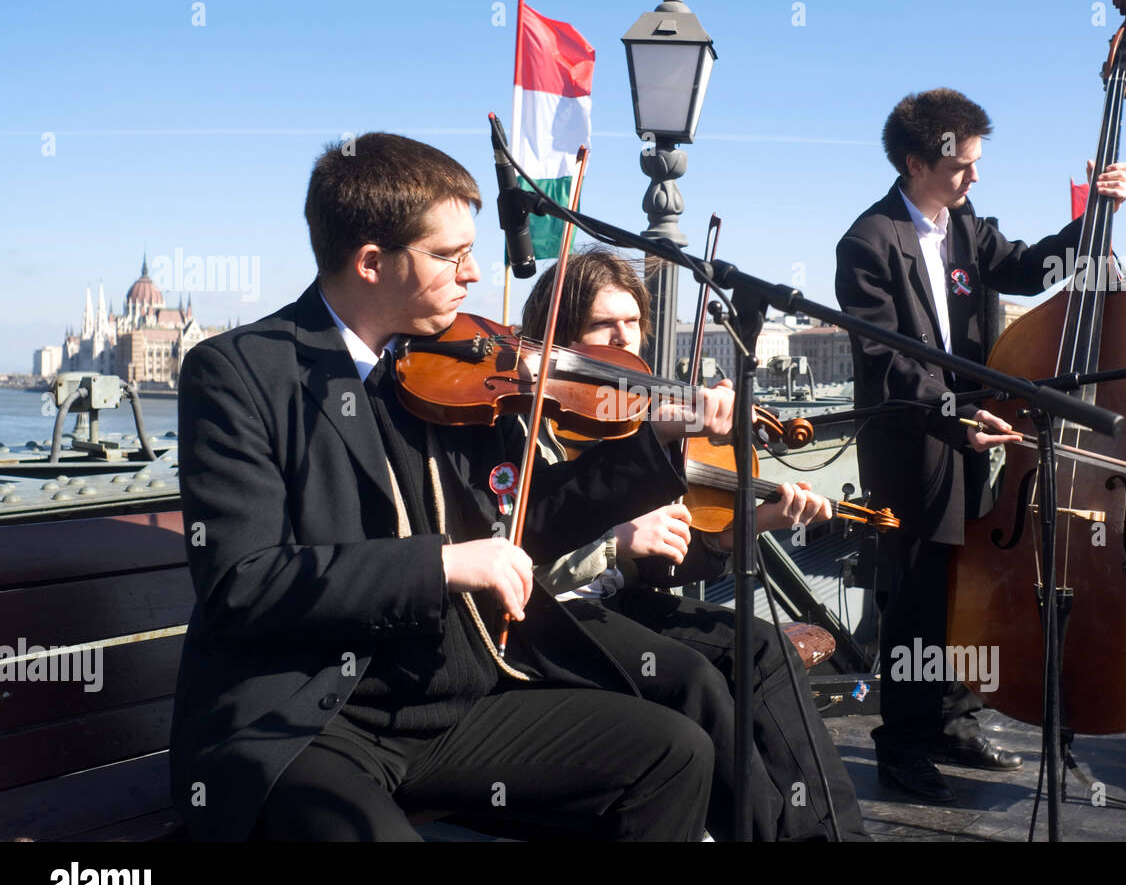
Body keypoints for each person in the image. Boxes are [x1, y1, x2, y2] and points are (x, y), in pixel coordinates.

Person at [169, 132, 742, 841]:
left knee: (672, 751)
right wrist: (441, 563)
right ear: (372, 262)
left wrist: (654, 444)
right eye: (448, 255)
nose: (473, 275)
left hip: (448, 698)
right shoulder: (240, 372)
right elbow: (242, 583)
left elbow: (531, 518)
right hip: (308, 716)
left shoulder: (456, 364)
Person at [834, 88, 1126, 802]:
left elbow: (1030, 267)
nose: (975, 176)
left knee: (962, 588)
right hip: (913, 445)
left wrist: (1093, 219)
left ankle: (953, 717)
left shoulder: (963, 222)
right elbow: (887, 359)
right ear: (916, 161)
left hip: (973, 440)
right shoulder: (867, 243)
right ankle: (901, 744)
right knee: (912, 601)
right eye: (962, 164)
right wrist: (950, 414)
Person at [518, 248, 870, 841]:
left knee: (760, 646)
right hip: (544, 618)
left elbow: (662, 567)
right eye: (605, 326)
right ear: (559, 334)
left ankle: (834, 835)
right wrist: (616, 539)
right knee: (693, 678)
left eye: (633, 324)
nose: (624, 340)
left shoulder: (624, 416)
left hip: (609, 605)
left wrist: (749, 525)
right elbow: (520, 545)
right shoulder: (526, 418)